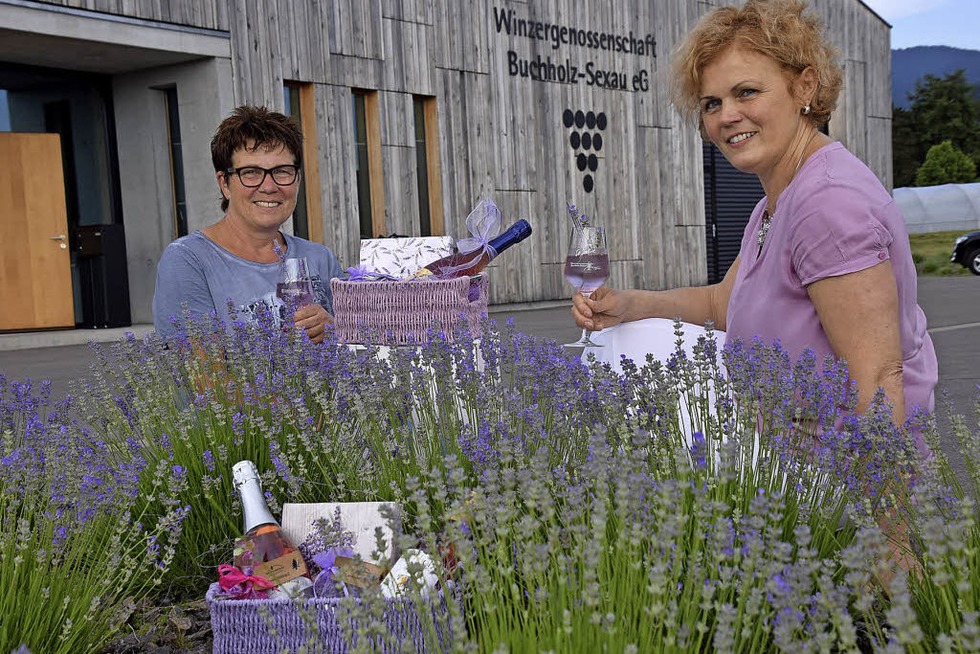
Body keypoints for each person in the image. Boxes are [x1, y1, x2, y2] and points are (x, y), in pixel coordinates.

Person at [572, 0, 938, 439]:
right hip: (791, 478)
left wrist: (886, 506)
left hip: (841, 486)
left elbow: (879, 383)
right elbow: (722, 305)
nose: (727, 116)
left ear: (804, 87)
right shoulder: (780, 199)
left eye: (746, 92)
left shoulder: (828, 204)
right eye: (711, 103)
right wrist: (630, 305)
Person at [153, 105, 343, 343]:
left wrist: (335, 330)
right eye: (251, 172)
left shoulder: (320, 258)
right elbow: (204, 376)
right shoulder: (188, 260)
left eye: (282, 171)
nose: (269, 186)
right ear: (224, 183)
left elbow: (362, 353)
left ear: (298, 179)